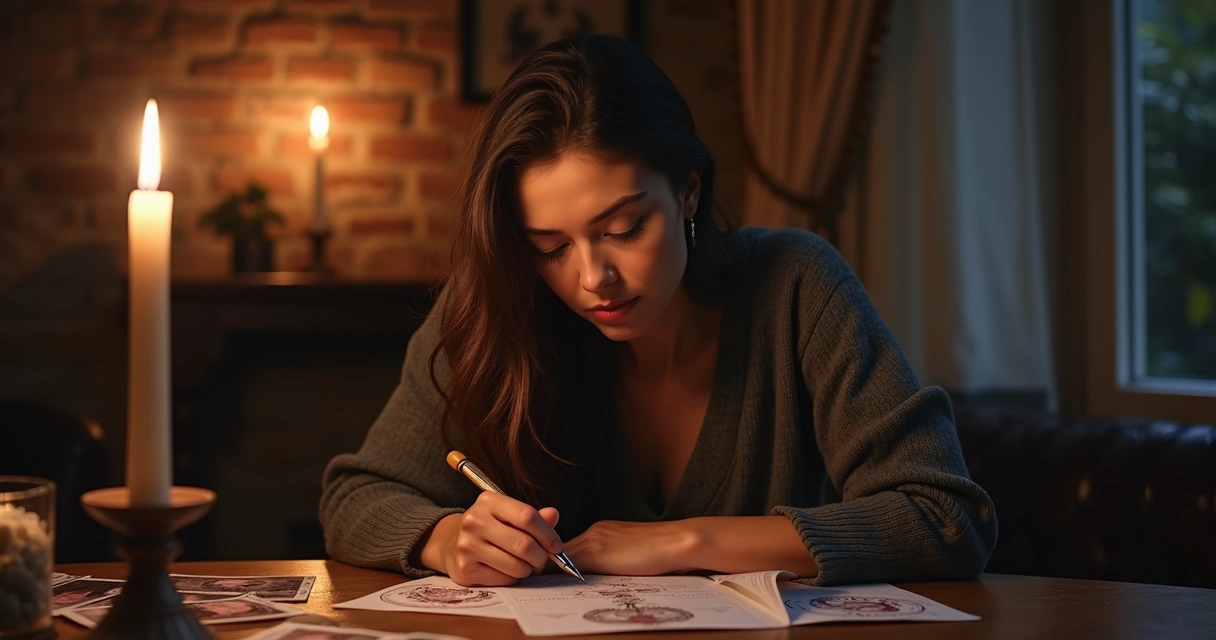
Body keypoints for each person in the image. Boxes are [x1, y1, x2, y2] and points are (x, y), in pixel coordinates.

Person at [320, 34, 997, 588]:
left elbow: (944, 517)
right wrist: (446, 539)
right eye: (552, 247)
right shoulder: (500, 306)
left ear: (689, 194)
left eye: (623, 228)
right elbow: (355, 497)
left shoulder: (796, 286)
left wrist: (684, 541)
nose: (594, 278)